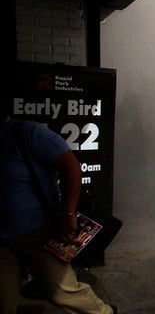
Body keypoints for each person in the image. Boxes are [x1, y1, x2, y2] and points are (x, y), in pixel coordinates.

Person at [0, 109, 116, 314]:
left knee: (61, 291)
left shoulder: (26, 132)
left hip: (37, 232)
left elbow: (71, 166)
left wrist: (67, 213)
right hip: (2, 240)